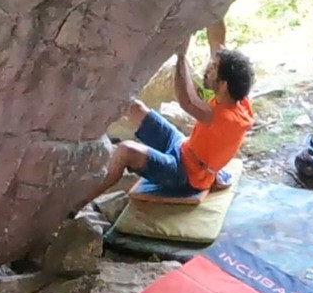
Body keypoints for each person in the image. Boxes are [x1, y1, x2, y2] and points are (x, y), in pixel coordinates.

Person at [86, 22, 254, 201]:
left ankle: (78, 203)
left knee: (125, 151)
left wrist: (181, 56)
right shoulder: (238, 98)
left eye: (213, 68)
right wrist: (209, 12)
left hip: (187, 175)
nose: (207, 69)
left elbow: (187, 101)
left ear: (223, 85)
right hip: (184, 148)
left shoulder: (223, 118)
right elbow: (217, 43)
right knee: (134, 107)